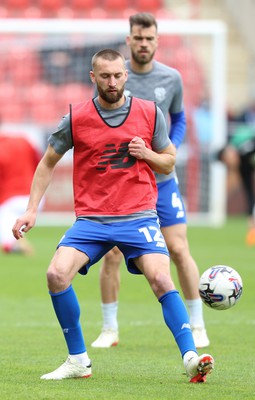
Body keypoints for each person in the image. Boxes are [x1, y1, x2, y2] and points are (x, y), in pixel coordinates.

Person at [12, 49, 214, 382]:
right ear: (93, 77)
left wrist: (146, 153)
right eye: (105, 76)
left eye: (118, 75)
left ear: (126, 75)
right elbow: (48, 161)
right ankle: (78, 360)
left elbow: (168, 161)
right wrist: (32, 209)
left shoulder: (149, 113)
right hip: (92, 220)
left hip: (139, 216)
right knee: (56, 274)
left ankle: (192, 357)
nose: (112, 82)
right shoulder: (77, 117)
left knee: (162, 278)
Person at [91, 13, 209, 350]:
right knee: (112, 253)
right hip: (123, 184)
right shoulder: (114, 77)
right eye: (138, 38)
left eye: (150, 38)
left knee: (178, 248)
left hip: (161, 178)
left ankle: (197, 324)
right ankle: (110, 329)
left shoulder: (171, 78)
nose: (144, 44)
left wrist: (168, 150)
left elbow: (180, 117)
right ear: (129, 40)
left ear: (157, 41)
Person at [0, 133, 40, 255]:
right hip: (35, 197)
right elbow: (41, 164)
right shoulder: (23, 140)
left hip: (10, 200)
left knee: (7, 243)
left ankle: (15, 243)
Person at [219, 113, 255, 246]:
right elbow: (249, 193)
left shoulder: (245, 147)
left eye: (227, 158)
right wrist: (251, 216)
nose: (229, 162)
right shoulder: (243, 167)